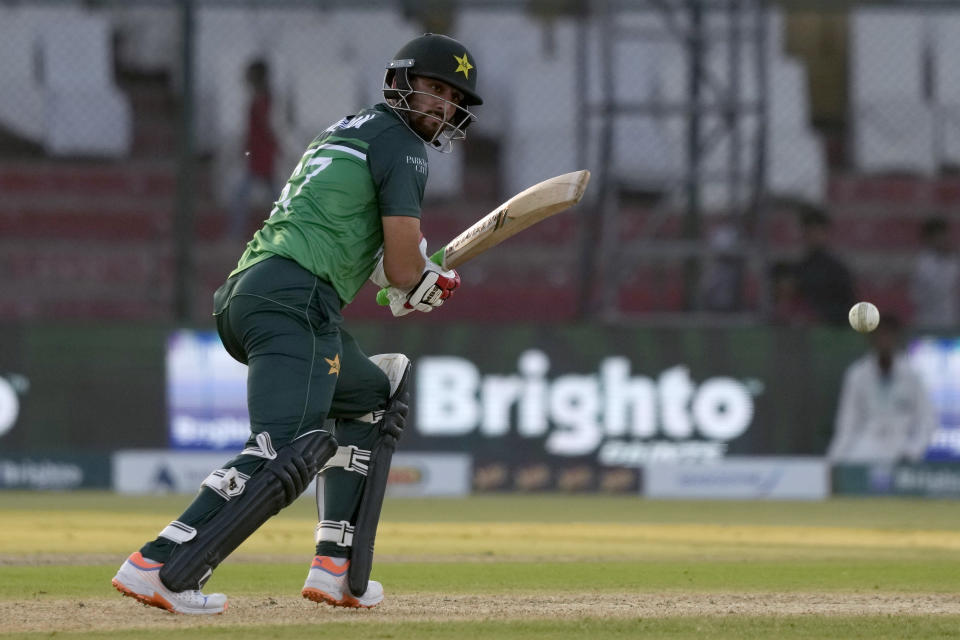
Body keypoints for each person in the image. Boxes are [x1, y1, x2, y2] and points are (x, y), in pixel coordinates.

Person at [111, 33, 483, 615]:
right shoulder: (404, 147)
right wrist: (426, 281)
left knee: (374, 393)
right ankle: (160, 564)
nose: (441, 105)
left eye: (452, 97)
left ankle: (336, 568)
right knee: (286, 447)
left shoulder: (348, 129)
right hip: (295, 300)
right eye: (433, 88)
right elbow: (407, 264)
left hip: (252, 292)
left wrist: (401, 280)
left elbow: (354, 238)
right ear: (400, 83)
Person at [827, 315, 937, 465]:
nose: (884, 341)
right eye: (880, 335)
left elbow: (927, 420)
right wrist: (834, 461)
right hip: (867, 445)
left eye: (888, 335)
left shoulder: (913, 375)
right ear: (872, 339)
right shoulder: (857, 374)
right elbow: (847, 423)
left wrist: (913, 451)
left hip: (901, 447)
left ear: (896, 338)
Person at [227, 59, 279, 239]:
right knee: (272, 195)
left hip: (261, 154)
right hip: (259, 153)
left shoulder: (262, 101)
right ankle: (280, 228)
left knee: (245, 195)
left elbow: (267, 128)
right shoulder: (261, 99)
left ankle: (236, 232)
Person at [793, 205, 856, 326]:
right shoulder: (799, 268)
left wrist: (823, 316)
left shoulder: (837, 270)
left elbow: (849, 306)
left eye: (817, 231)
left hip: (831, 330)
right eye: (809, 231)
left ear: (825, 233)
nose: (813, 236)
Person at [910, 216, 959, 329]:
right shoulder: (922, 264)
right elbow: (916, 295)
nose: (942, 239)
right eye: (938, 236)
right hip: (927, 321)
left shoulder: (954, 261)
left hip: (951, 322)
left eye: (944, 235)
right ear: (928, 238)